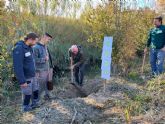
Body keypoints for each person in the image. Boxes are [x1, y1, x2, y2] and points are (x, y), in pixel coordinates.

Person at [13, 33, 39, 112]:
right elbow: (18, 66)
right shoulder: (19, 48)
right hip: (26, 76)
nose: (36, 43)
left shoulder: (29, 47)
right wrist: (22, 80)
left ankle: (35, 104)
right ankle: (25, 107)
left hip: (33, 75)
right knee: (27, 93)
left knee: (35, 89)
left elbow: (31, 62)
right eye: (35, 41)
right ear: (30, 39)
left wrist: (35, 72)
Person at [33, 33, 53, 100]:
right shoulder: (35, 47)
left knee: (48, 83)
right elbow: (34, 60)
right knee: (40, 86)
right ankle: (36, 100)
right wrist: (44, 59)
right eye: (48, 39)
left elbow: (48, 58)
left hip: (47, 69)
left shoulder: (45, 46)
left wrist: (51, 67)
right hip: (40, 70)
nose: (49, 41)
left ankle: (47, 96)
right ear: (44, 37)